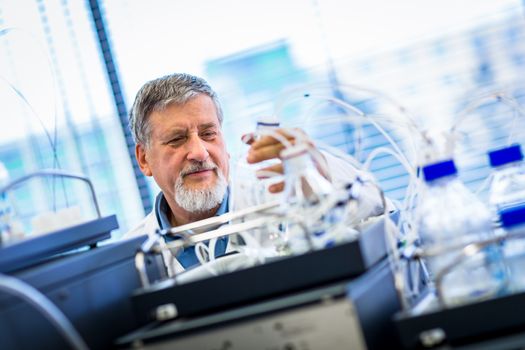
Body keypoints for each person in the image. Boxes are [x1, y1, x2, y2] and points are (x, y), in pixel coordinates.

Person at [124, 73, 385, 274]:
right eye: (177, 139)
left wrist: (317, 173)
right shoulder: (129, 258)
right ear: (144, 159)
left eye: (208, 134)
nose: (200, 152)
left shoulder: (276, 191)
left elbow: (380, 213)